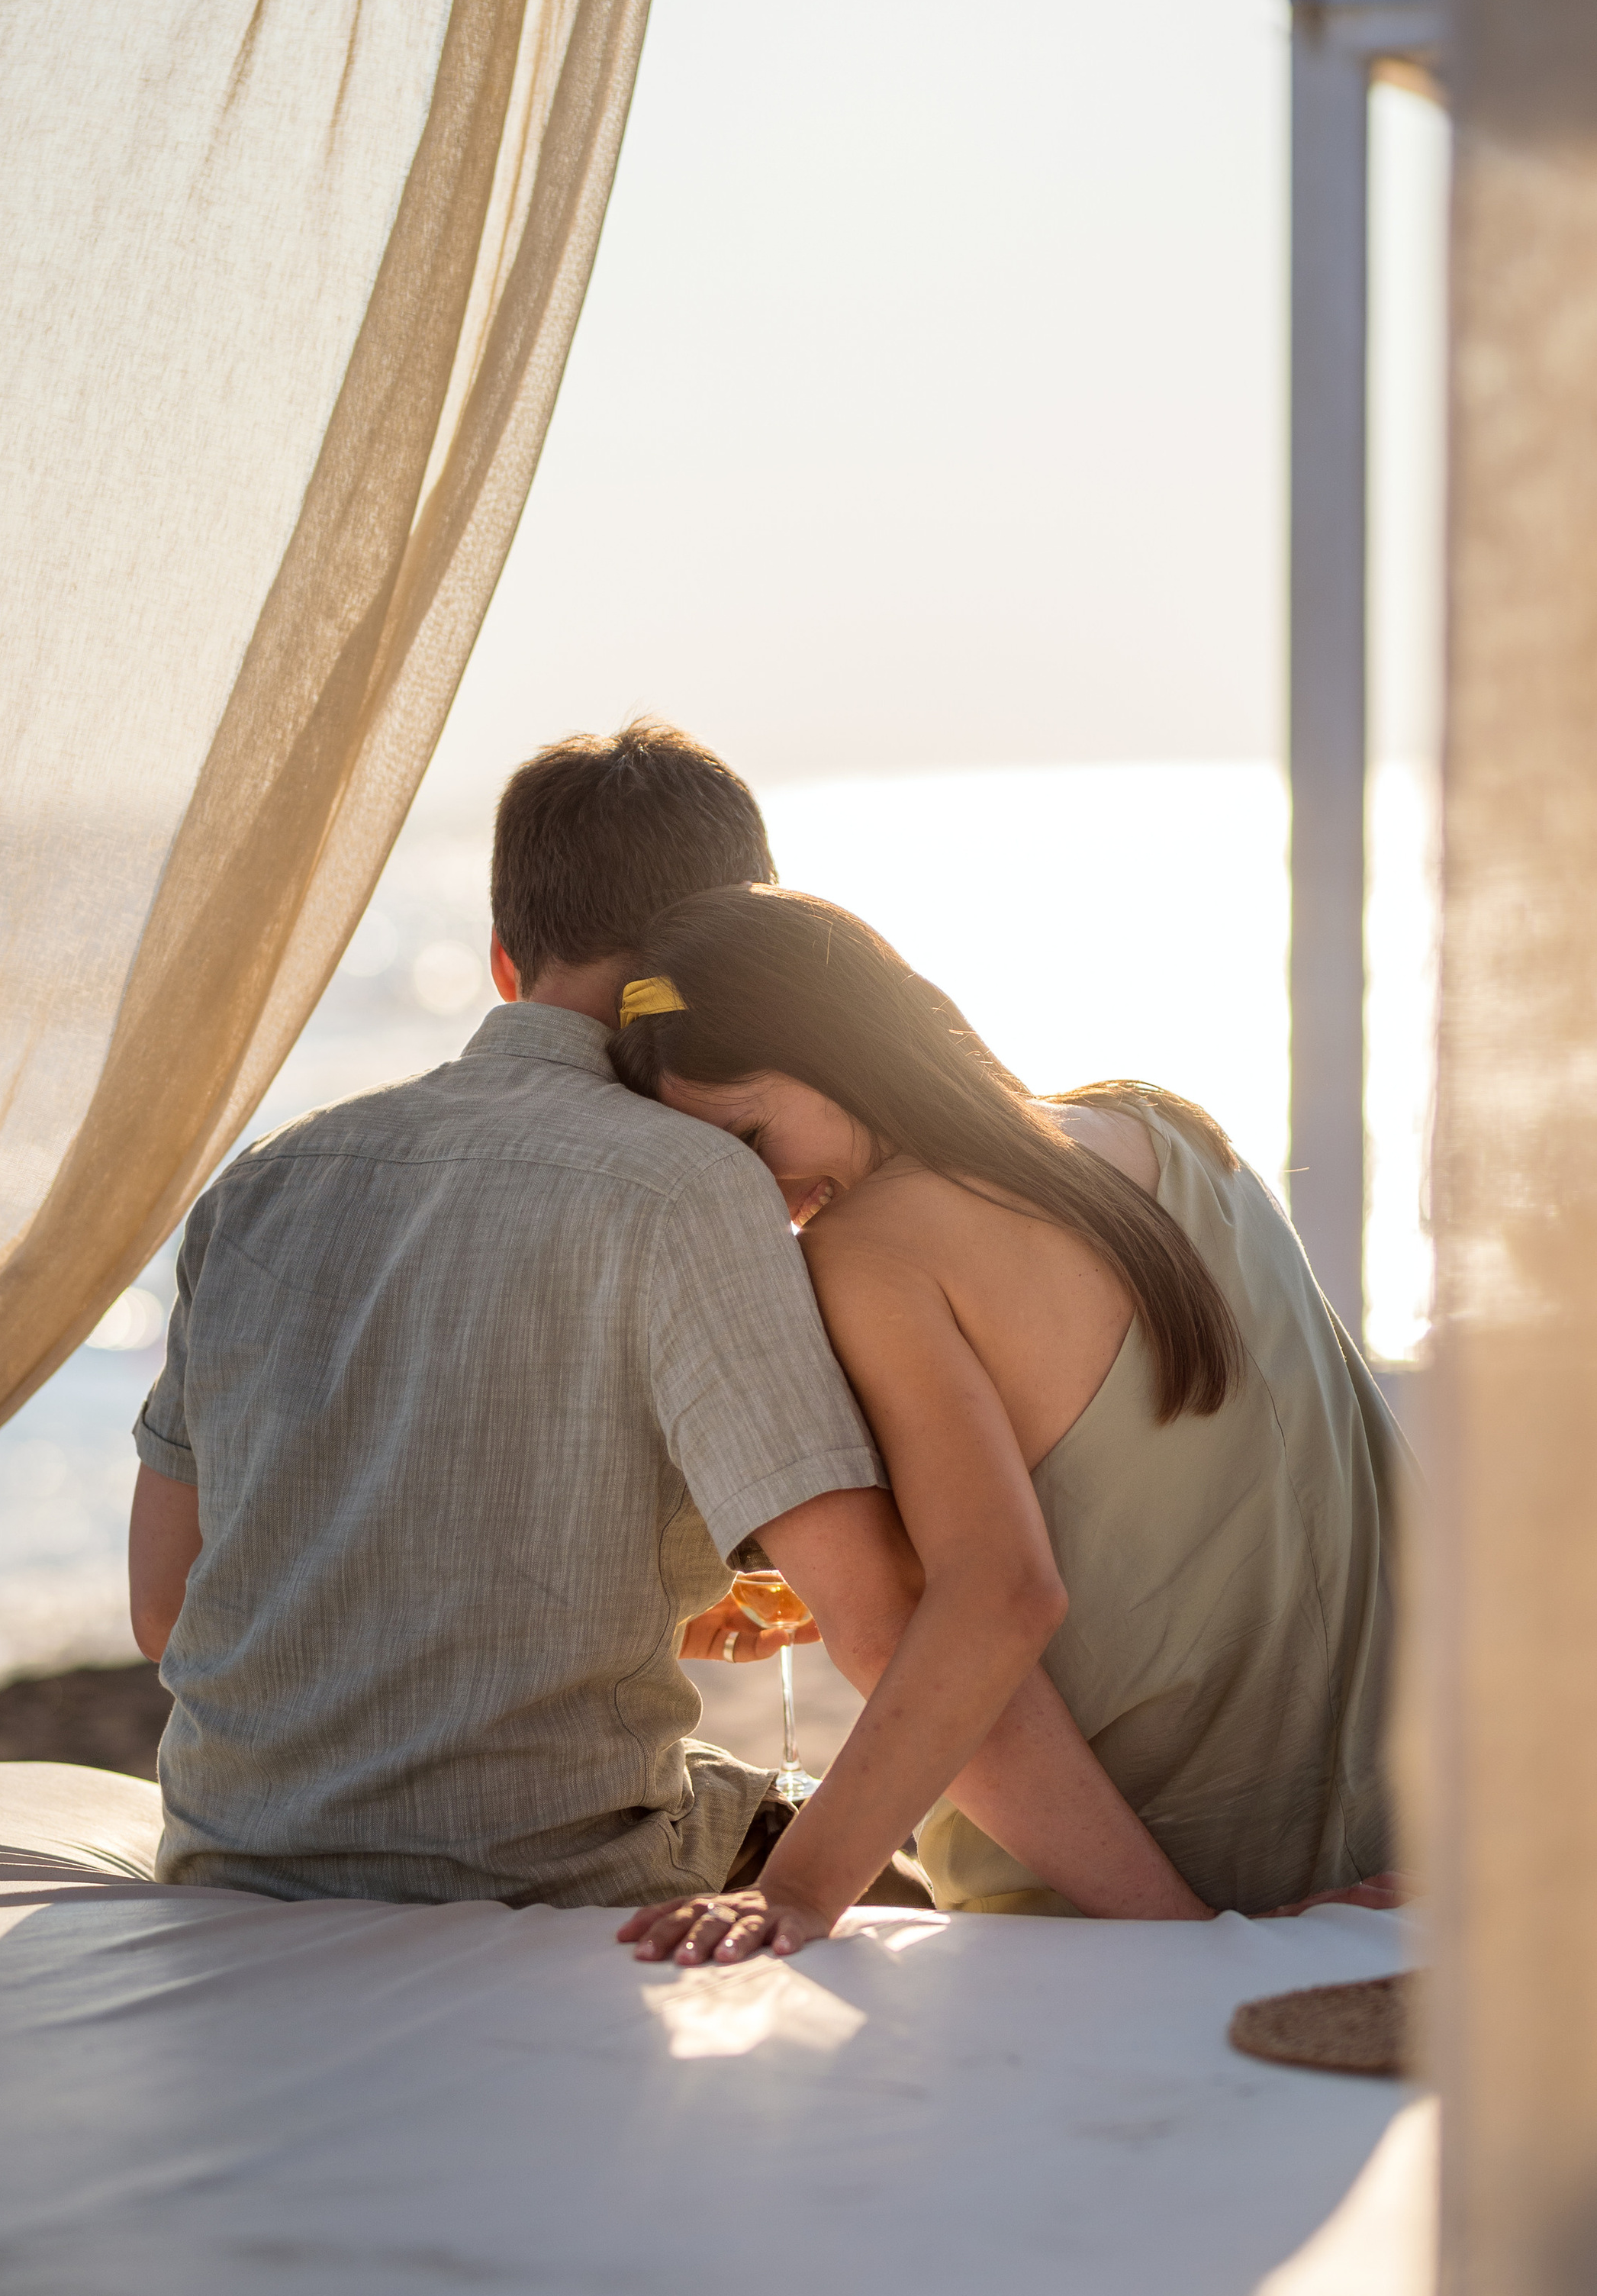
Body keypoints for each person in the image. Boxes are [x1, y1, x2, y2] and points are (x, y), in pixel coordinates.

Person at [127, 723, 1193, 1921]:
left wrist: (617, 1619)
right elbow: (891, 1632)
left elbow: (173, 1607)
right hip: (548, 1876)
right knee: (908, 1875)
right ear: (737, 947)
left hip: (229, 1855)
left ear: (499, 959)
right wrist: (1185, 1933)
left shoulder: (262, 1181)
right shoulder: (691, 1182)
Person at [610, 882, 1399, 1969]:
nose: (767, 1195)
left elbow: (1002, 1596)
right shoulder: (1164, 1128)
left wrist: (798, 1889)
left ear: (835, 1047)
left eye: (751, 1135)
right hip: (1378, 1852)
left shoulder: (873, 1250)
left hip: (1116, 1915)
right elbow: (1250, 1492)